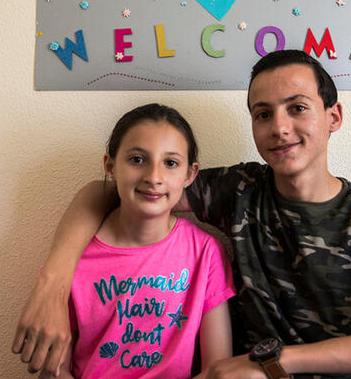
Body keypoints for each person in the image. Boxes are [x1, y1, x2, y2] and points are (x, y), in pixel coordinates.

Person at [14, 51, 351, 379]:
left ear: (333, 116)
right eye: (262, 113)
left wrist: (279, 362)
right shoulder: (241, 189)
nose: (280, 127)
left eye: (298, 108)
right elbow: (106, 192)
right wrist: (53, 285)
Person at [39, 103, 236, 379]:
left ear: (190, 175)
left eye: (170, 163)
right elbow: (54, 369)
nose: (154, 177)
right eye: (137, 159)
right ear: (110, 166)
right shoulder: (74, 256)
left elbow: (218, 370)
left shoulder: (205, 252)